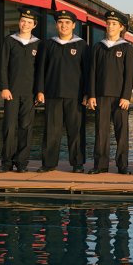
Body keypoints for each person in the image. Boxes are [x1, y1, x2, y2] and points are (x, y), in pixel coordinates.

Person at [35, 9, 88, 173]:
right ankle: (49, 163)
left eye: (67, 23)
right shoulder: (48, 44)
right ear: (56, 24)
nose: (63, 25)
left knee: (76, 130)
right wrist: (40, 90)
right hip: (52, 93)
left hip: (76, 95)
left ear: (73, 25)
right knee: (52, 130)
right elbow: (41, 69)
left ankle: (77, 163)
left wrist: (87, 93)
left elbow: (87, 72)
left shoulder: (82, 45)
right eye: (60, 22)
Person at [86, 10, 133, 175]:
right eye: (108, 23)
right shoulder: (98, 47)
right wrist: (91, 95)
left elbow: (130, 74)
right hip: (101, 95)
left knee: (122, 132)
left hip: (120, 97)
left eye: (114, 24)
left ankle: (122, 165)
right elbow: (91, 72)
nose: (110, 26)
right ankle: (100, 165)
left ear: (121, 27)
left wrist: (126, 96)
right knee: (101, 131)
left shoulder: (127, 48)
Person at [0, 6, 41, 173]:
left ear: (34, 25)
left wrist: (39, 91)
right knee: (9, 127)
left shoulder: (38, 44)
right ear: (19, 22)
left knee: (26, 128)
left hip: (29, 94)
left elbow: (40, 71)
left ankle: (22, 163)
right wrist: (4, 87)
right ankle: (6, 162)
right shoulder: (9, 41)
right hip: (12, 92)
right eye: (23, 21)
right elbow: (2, 66)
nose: (25, 24)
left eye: (29, 22)